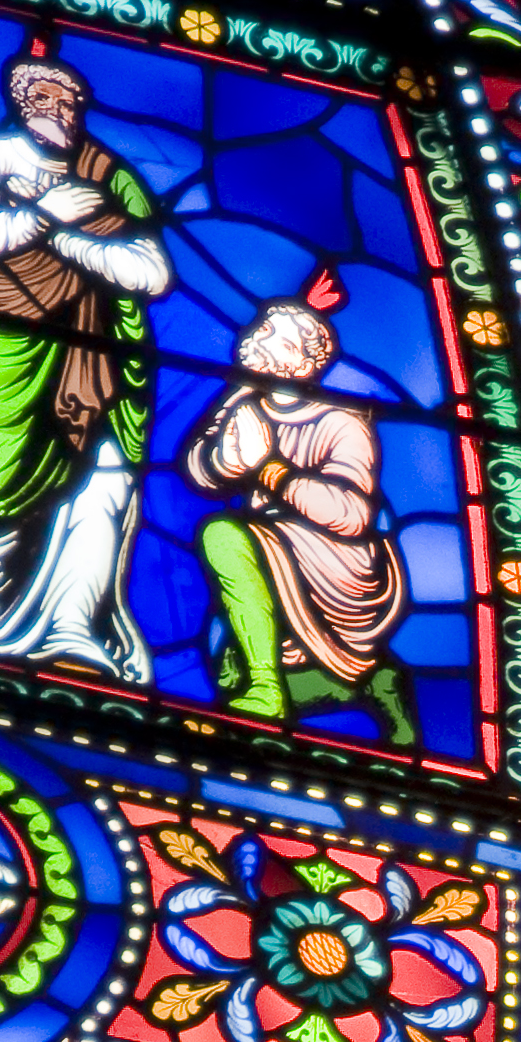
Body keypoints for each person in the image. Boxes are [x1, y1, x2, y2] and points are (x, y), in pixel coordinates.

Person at [0, 26, 174, 672]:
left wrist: (68, 240)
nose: (59, 110)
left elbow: (151, 273)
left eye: (69, 101)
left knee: (102, 486)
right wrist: (42, 215)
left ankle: (73, 632)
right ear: (19, 99)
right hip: (8, 346)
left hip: (101, 354)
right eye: (43, 96)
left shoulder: (110, 177)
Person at [180, 268, 413, 740]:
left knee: (220, 535)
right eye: (260, 328)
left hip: (335, 564)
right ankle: (271, 681)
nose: (254, 338)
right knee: (226, 670)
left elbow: (351, 516)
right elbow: (199, 469)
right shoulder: (244, 400)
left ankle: (267, 691)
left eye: (269, 333)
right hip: (271, 544)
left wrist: (269, 470)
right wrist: (224, 461)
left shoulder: (341, 421)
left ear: (301, 360)